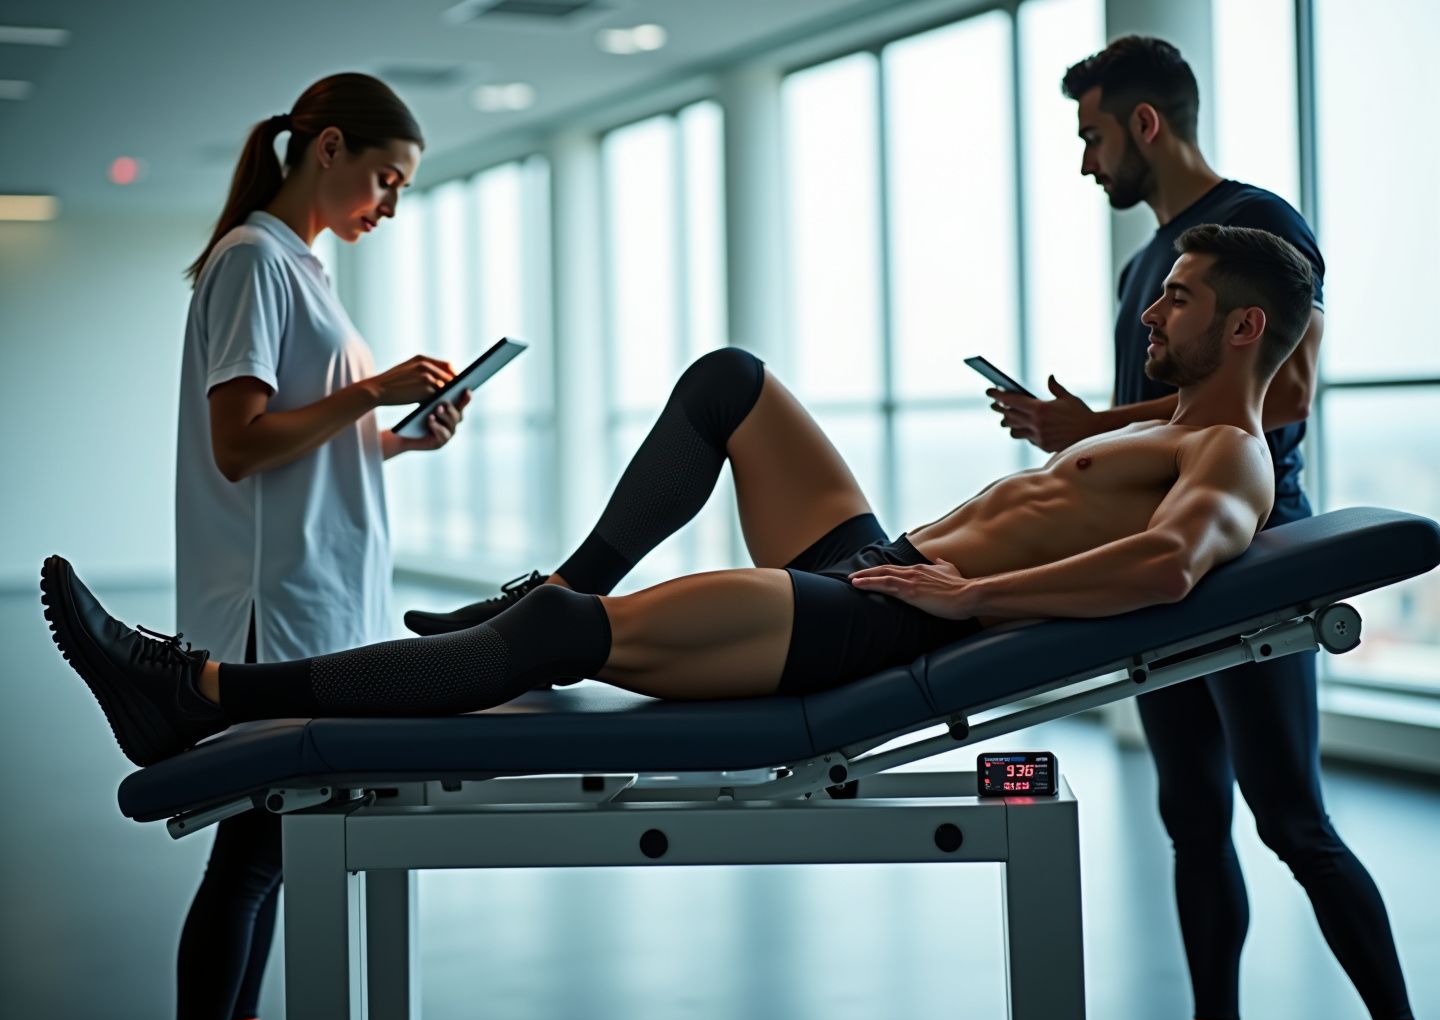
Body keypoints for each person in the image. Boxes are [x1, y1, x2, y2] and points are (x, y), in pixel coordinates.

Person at [51, 224, 1306, 774]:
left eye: (1181, 298)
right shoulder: (1176, 423)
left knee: (554, 644)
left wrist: (972, 595)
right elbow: (1149, 443)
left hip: (893, 619)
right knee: (730, 383)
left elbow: (1162, 572)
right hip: (885, 561)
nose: (1153, 307)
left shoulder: (1231, 458)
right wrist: (1076, 433)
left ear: (1244, 326)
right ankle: (565, 576)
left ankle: (198, 697)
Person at [982, 37, 1411, 1020]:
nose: (1087, 162)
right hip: (1160, 560)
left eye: (1092, 136)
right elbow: (1176, 410)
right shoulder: (1149, 264)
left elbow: (1282, 392)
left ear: (1145, 123)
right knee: (1191, 822)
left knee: (1293, 822)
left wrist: (1094, 425)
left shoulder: (1259, 226)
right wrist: (1088, 436)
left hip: (1246, 550)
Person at [170, 73, 467, 1020]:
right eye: (387, 179)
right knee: (258, 854)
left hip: (319, 597)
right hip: (275, 605)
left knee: (270, 851)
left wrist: (392, 436)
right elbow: (240, 444)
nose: (390, 204)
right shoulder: (253, 260)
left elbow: (297, 443)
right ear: (329, 148)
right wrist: (368, 395)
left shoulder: (301, 266)